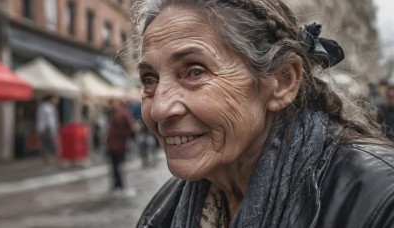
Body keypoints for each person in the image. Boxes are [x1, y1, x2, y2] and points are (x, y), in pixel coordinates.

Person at [133, 0, 394, 227]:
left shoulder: (380, 200)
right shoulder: (164, 210)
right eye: (149, 79)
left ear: (282, 81)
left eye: (195, 72)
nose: (159, 109)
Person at [106, 99, 136, 196]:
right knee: (114, 166)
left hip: (119, 144)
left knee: (119, 166)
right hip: (112, 144)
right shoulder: (114, 114)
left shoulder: (124, 115)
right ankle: (116, 185)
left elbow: (131, 128)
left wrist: (125, 137)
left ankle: (121, 186)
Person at [36, 95, 59, 168]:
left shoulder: (44, 107)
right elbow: (49, 121)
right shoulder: (47, 108)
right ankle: (60, 161)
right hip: (47, 129)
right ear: (50, 99)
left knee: (47, 147)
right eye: (55, 99)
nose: (56, 101)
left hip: (45, 129)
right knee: (53, 146)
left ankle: (48, 162)